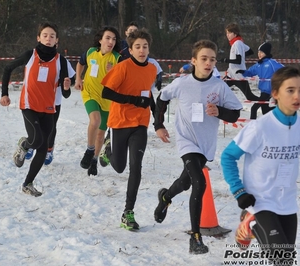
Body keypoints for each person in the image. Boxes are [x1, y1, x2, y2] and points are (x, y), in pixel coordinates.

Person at [152, 40, 242, 254]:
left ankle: (165, 197)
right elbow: (162, 98)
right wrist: (158, 125)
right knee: (198, 183)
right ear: (193, 61)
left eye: (212, 59)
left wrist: (219, 111)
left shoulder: (219, 87)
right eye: (204, 58)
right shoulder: (181, 83)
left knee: (185, 183)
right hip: (186, 141)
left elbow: (236, 113)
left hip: (205, 145)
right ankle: (196, 237)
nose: (209, 63)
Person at [220, 66, 300, 266]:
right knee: (282, 261)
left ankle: (247, 225)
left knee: (285, 261)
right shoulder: (260, 127)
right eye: (290, 90)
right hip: (260, 201)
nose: (297, 95)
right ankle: (250, 218)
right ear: (275, 94)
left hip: (288, 202)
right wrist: (239, 191)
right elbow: (228, 156)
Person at [0, 22, 72, 196]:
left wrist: (67, 87)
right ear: (38, 38)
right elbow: (7, 68)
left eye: (52, 36)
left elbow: (66, 94)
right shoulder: (30, 55)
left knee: (43, 146)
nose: (48, 39)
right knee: (37, 139)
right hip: (29, 104)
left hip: (48, 108)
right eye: (45, 35)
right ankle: (24, 144)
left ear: (57, 41)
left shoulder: (61, 61)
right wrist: (4, 94)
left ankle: (28, 184)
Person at [100, 29, 157, 231]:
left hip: (140, 124)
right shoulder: (123, 67)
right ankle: (108, 149)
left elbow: (148, 94)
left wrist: (158, 120)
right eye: (138, 47)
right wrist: (133, 100)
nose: (142, 50)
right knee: (119, 167)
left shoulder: (151, 69)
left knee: (136, 167)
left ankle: (128, 212)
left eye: (145, 46)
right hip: (120, 122)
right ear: (130, 50)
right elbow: (106, 92)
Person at [74, 26, 121, 176]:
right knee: (94, 121)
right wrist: (78, 78)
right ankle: (89, 150)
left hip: (107, 100)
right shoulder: (90, 52)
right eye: (108, 38)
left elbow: (121, 82)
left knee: (100, 135)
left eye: (113, 39)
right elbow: (80, 63)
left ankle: (94, 160)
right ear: (100, 40)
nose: (111, 41)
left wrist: (111, 73)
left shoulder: (117, 58)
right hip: (90, 93)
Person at [25, 54, 76, 165]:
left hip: (53, 100)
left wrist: (66, 83)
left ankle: (49, 149)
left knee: (51, 127)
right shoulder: (34, 57)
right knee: (35, 124)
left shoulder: (62, 61)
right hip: (36, 98)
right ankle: (32, 145)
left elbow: (72, 77)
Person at [235, 41, 284, 119]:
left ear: (266, 53)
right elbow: (251, 72)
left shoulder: (272, 63)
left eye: (261, 52)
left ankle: (252, 126)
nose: (259, 54)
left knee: (254, 108)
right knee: (265, 111)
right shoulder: (259, 64)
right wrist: (243, 72)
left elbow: (285, 70)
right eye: (258, 52)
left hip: (269, 91)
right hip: (263, 90)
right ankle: (281, 111)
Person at [220, 23, 255, 101]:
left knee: (250, 97)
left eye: (229, 33)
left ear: (235, 34)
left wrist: (226, 60)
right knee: (220, 90)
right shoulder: (237, 42)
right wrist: (243, 55)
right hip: (231, 75)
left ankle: (267, 102)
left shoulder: (237, 43)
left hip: (238, 75)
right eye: (226, 33)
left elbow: (238, 61)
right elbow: (250, 51)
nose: (227, 35)